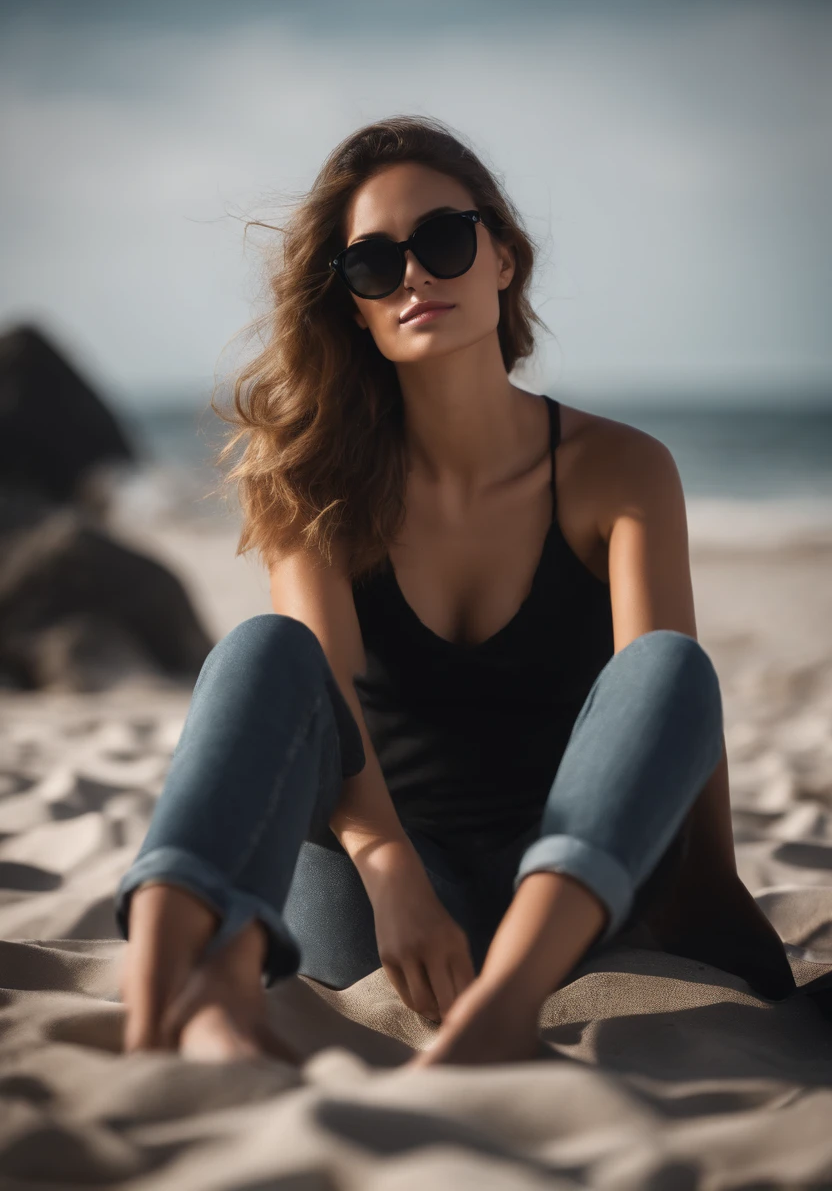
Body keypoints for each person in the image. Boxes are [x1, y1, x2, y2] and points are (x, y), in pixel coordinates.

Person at [114, 115, 796, 1068]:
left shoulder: (622, 470)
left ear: (504, 258)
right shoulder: (311, 479)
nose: (415, 278)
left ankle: (502, 1014)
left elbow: (667, 709)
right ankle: (192, 982)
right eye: (372, 265)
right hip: (375, 909)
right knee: (266, 654)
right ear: (352, 305)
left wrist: (712, 888)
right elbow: (326, 706)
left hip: (566, 904)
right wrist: (394, 875)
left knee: (674, 662)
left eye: (443, 240)